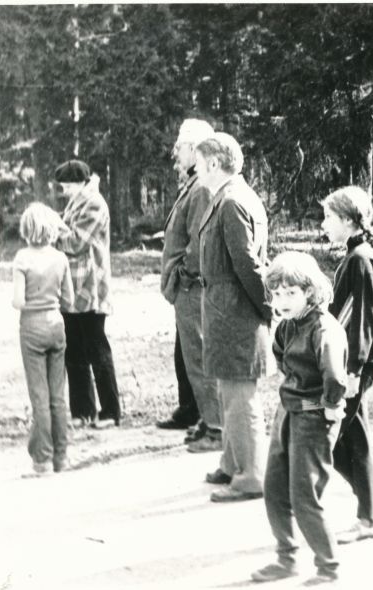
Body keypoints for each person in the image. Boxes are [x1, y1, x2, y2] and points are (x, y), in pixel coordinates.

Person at [252, 251, 348, 586]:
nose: (281, 300)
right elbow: (283, 361)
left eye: (290, 292)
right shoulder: (287, 326)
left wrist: (329, 407)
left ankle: (328, 567)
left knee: (304, 494)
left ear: (309, 291)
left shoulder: (324, 329)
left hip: (312, 416)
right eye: (276, 293)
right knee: (274, 488)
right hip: (287, 412)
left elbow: (335, 378)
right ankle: (286, 557)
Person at [195, 132, 271, 502]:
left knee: (241, 396)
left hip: (236, 312)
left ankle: (250, 476)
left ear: (213, 163)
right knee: (230, 391)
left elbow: (248, 265)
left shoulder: (231, 201)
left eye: (198, 162)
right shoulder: (229, 197)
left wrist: (268, 308)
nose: (195, 169)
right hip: (227, 310)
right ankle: (231, 462)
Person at [320, 186, 373, 544]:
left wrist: (352, 371)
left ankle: (366, 513)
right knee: (351, 437)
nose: (323, 224)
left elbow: (360, 319)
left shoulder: (361, 258)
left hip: (353, 361)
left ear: (348, 220)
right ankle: (368, 512)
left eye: (329, 217)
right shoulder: (361, 253)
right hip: (352, 359)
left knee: (329, 437)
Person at [158, 118, 224, 453]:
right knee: (192, 356)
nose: (176, 153)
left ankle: (217, 428)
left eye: (181, 147)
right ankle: (207, 420)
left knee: (199, 356)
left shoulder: (200, 189)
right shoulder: (194, 185)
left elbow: (200, 240)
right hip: (186, 286)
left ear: (196, 149)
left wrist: (183, 273)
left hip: (192, 287)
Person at [55, 159, 122, 429]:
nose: (65, 190)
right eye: (63, 186)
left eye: (69, 185)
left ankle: (110, 412)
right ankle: (82, 411)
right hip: (73, 288)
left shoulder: (94, 203)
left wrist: (52, 231)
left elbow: (76, 242)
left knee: (97, 349)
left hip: (91, 288)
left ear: (82, 183)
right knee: (74, 351)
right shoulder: (76, 203)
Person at [13, 203, 74, 474]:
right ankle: (62, 456)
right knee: (57, 396)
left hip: (32, 327)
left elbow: (18, 300)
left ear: (27, 228)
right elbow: (69, 301)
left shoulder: (22, 258)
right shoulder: (61, 258)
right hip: (56, 325)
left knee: (39, 396)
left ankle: (42, 459)